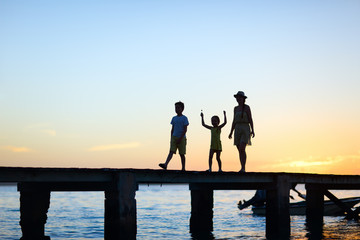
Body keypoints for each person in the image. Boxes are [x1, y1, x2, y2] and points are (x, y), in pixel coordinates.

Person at [228, 91, 255, 172]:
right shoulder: (235, 108)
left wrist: (253, 130)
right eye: (237, 97)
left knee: (242, 148)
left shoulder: (247, 107)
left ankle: (243, 167)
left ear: (243, 99)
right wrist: (231, 132)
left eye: (240, 97)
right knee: (239, 149)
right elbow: (234, 120)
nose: (238, 99)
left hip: (245, 128)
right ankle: (242, 167)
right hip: (237, 128)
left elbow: (250, 119)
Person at [159, 101, 189, 171]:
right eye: (175, 108)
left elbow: (185, 130)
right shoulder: (174, 118)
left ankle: (183, 168)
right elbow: (172, 129)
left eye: (178, 108)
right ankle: (166, 164)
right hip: (174, 137)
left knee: (182, 154)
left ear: (182, 109)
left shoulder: (184, 118)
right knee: (171, 151)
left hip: (182, 138)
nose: (176, 109)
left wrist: (180, 138)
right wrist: (171, 137)